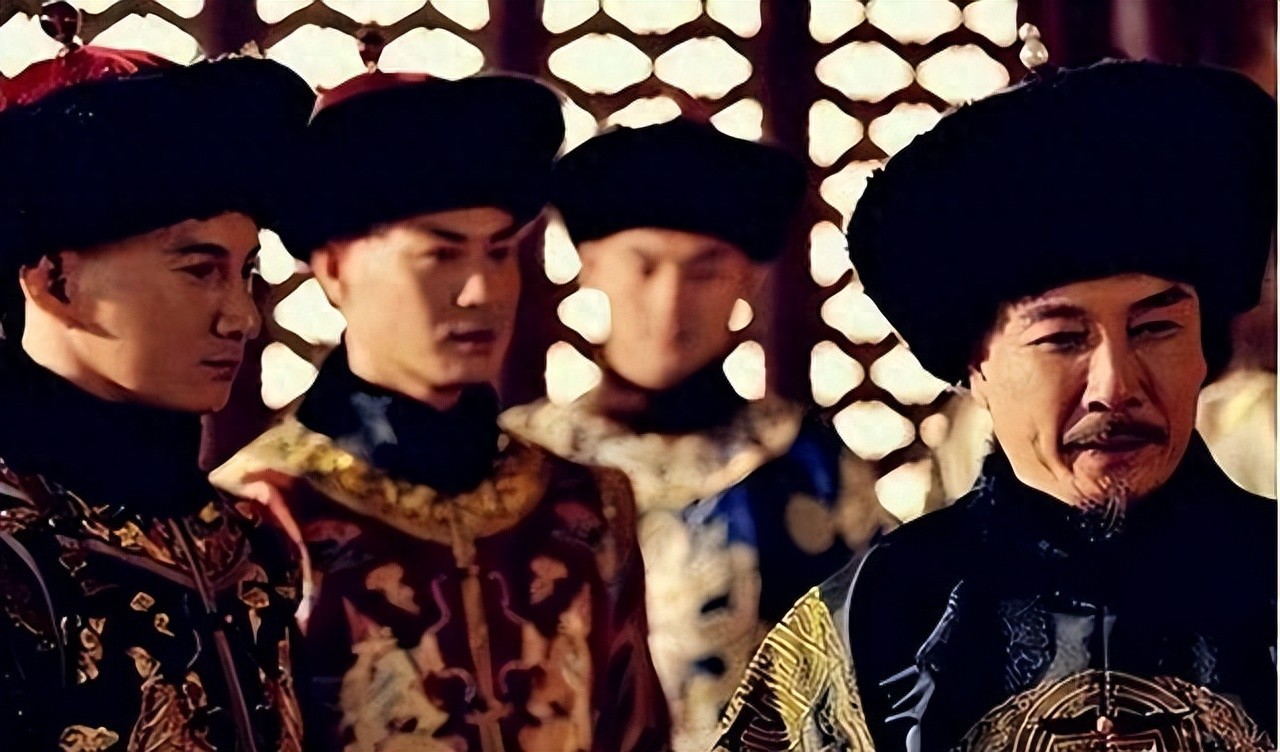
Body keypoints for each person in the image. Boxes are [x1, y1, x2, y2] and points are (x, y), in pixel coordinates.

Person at [742, 59, 1274, 752]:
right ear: (975, 367)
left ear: (1203, 349)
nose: (1115, 386)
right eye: (1062, 339)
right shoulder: (870, 624)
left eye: (1155, 329)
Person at [210, 71, 669, 752]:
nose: (481, 290)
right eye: (440, 255)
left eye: (500, 252)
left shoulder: (587, 505)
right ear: (333, 270)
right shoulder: (262, 516)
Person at [501, 117, 897, 751]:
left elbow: (883, 680)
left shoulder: (809, 466)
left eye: (704, 271)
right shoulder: (517, 463)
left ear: (750, 279)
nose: (670, 304)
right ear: (590, 266)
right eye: (643, 267)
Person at [0, 41, 314, 752]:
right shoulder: (17, 547)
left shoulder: (247, 540)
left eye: (246, 272)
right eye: (200, 270)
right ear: (52, 281)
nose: (243, 317)